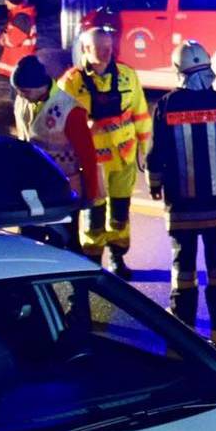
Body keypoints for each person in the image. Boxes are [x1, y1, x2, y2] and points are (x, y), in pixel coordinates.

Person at [146, 40, 216, 358]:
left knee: (184, 263)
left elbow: (157, 154)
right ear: (208, 68)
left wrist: (155, 184)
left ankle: (183, 317)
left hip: (181, 205)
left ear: (178, 71)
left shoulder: (166, 105)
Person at [57, 27, 151, 278]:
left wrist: (148, 151)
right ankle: (93, 265)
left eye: (109, 46)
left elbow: (141, 115)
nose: (107, 52)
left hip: (124, 158)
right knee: (93, 217)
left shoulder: (127, 76)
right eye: (100, 47)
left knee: (120, 213)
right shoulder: (70, 83)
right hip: (92, 163)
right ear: (86, 50)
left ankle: (118, 258)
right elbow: (57, 123)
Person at [10, 54, 94, 252]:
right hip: (31, 190)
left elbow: (88, 155)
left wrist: (89, 194)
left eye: (24, 91)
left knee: (65, 244)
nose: (21, 96)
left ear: (41, 86)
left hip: (63, 189)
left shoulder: (69, 110)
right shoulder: (23, 102)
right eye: (18, 91)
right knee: (29, 245)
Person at [0, 0, 38, 80]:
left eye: (6, 0)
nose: (5, 2)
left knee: (18, 90)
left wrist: (3, 38)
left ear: (12, 1)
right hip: (19, 59)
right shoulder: (18, 16)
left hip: (18, 60)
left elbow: (12, 41)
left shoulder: (21, 18)